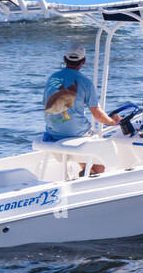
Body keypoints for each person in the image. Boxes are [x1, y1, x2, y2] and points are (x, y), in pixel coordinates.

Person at [43, 46, 122, 176]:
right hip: (77, 134)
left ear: (64, 59)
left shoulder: (52, 78)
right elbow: (98, 115)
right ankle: (89, 174)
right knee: (100, 168)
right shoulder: (85, 82)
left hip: (53, 132)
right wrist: (113, 122)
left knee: (80, 133)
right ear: (83, 61)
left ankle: (86, 170)